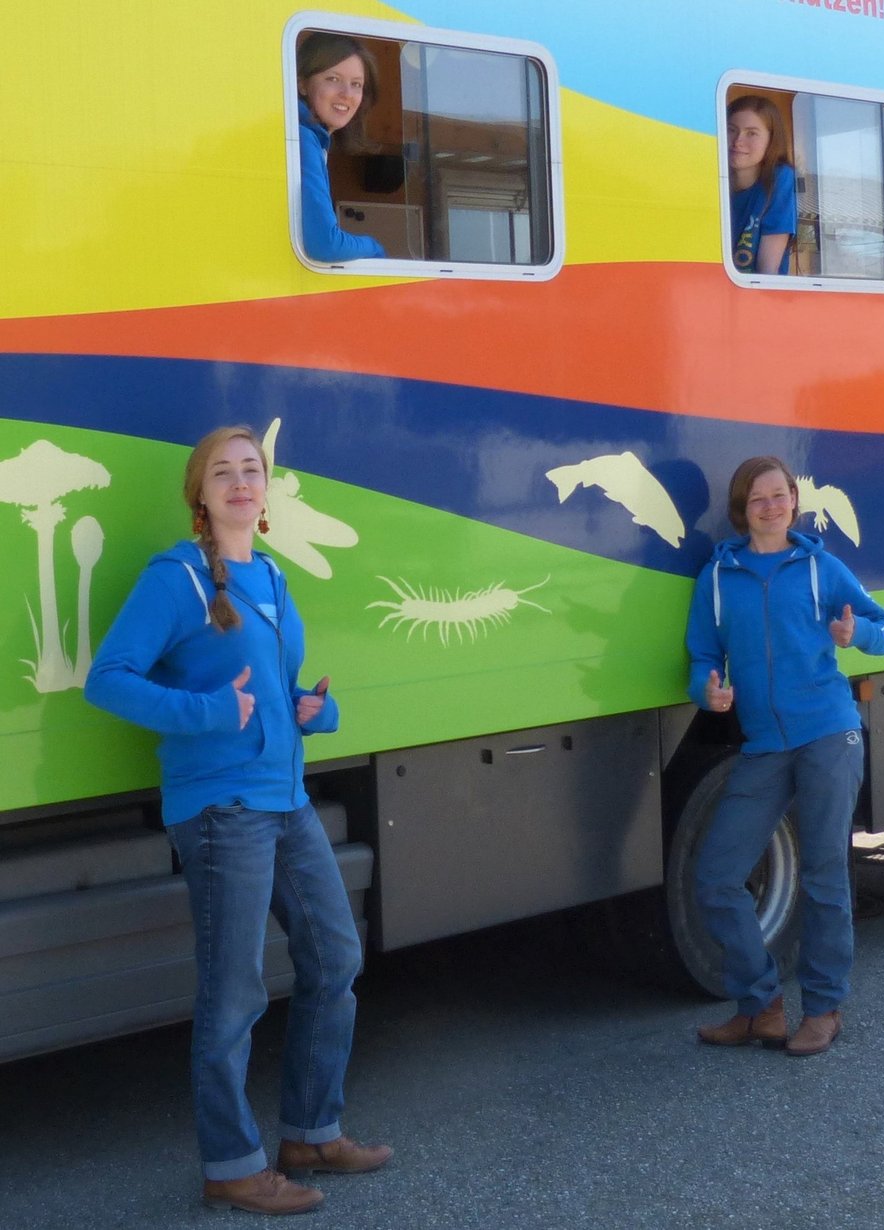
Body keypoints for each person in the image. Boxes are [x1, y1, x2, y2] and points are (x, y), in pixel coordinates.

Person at [84, 426, 391, 1215]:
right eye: (223, 472)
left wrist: (311, 712)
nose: (240, 482)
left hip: (284, 799)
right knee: (234, 993)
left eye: (252, 470)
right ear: (200, 492)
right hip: (222, 811)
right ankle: (231, 1163)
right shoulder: (176, 578)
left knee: (335, 957)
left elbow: (274, 693)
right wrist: (212, 711)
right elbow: (108, 680)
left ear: (266, 487)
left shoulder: (274, 578)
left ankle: (312, 1131)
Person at [686, 456, 884, 1057]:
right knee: (717, 877)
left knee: (824, 873)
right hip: (764, 744)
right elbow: (701, 656)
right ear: (741, 509)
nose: (771, 507)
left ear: (794, 504)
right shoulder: (719, 578)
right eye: (759, 499)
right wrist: (707, 689)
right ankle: (762, 1006)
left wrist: (856, 635)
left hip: (829, 733)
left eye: (780, 496)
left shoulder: (818, 568)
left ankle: (824, 1009)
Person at [297, 32, 386, 263]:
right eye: (333, 79)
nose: (347, 94)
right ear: (302, 83)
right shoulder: (301, 139)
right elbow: (325, 244)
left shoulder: (312, 137)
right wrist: (374, 248)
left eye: (356, 84)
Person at [727, 95, 797, 276]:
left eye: (752, 133)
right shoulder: (711, 179)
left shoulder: (780, 179)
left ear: (771, 140)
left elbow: (768, 270)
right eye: (731, 130)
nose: (738, 141)